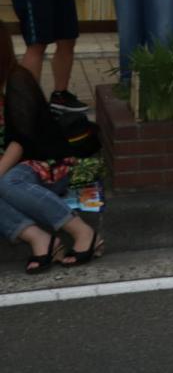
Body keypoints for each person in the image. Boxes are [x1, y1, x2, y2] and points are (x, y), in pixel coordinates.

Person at [0, 23, 102, 271]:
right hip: (17, 164)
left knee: (7, 182)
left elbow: (21, 141)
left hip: (47, 162)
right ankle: (39, 238)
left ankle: (82, 231)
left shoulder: (17, 80)